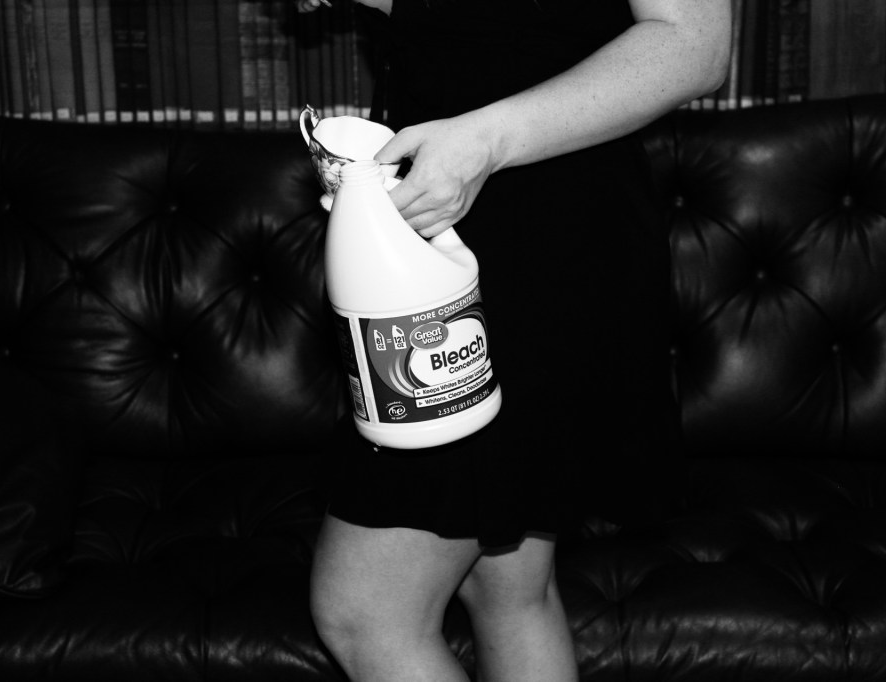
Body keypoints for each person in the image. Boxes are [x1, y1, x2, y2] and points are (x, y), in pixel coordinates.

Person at [296, 1, 731, 681]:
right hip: (464, 236)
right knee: (505, 591)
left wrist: (484, 142)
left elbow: (695, 43)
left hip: (540, 245)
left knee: (366, 613)